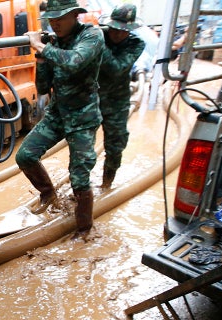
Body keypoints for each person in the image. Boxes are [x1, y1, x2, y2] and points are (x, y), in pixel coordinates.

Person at [16, 0, 104, 239]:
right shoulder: (53, 43)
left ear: (75, 15)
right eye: (52, 19)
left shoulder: (91, 35)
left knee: (79, 176)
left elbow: (75, 62)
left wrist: (42, 47)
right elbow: (43, 87)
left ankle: (84, 229)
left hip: (83, 116)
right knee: (25, 156)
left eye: (60, 18)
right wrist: (40, 56)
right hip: (57, 114)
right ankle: (48, 194)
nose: (55, 24)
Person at [97, 4, 145, 189]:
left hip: (117, 102)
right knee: (81, 147)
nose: (117, 34)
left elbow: (117, 68)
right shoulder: (99, 35)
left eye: (123, 31)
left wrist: (99, 44)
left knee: (116, 146)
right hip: (90, 99)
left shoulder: (136, 44)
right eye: (114, 29)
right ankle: (81, 188)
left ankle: (106, 185)